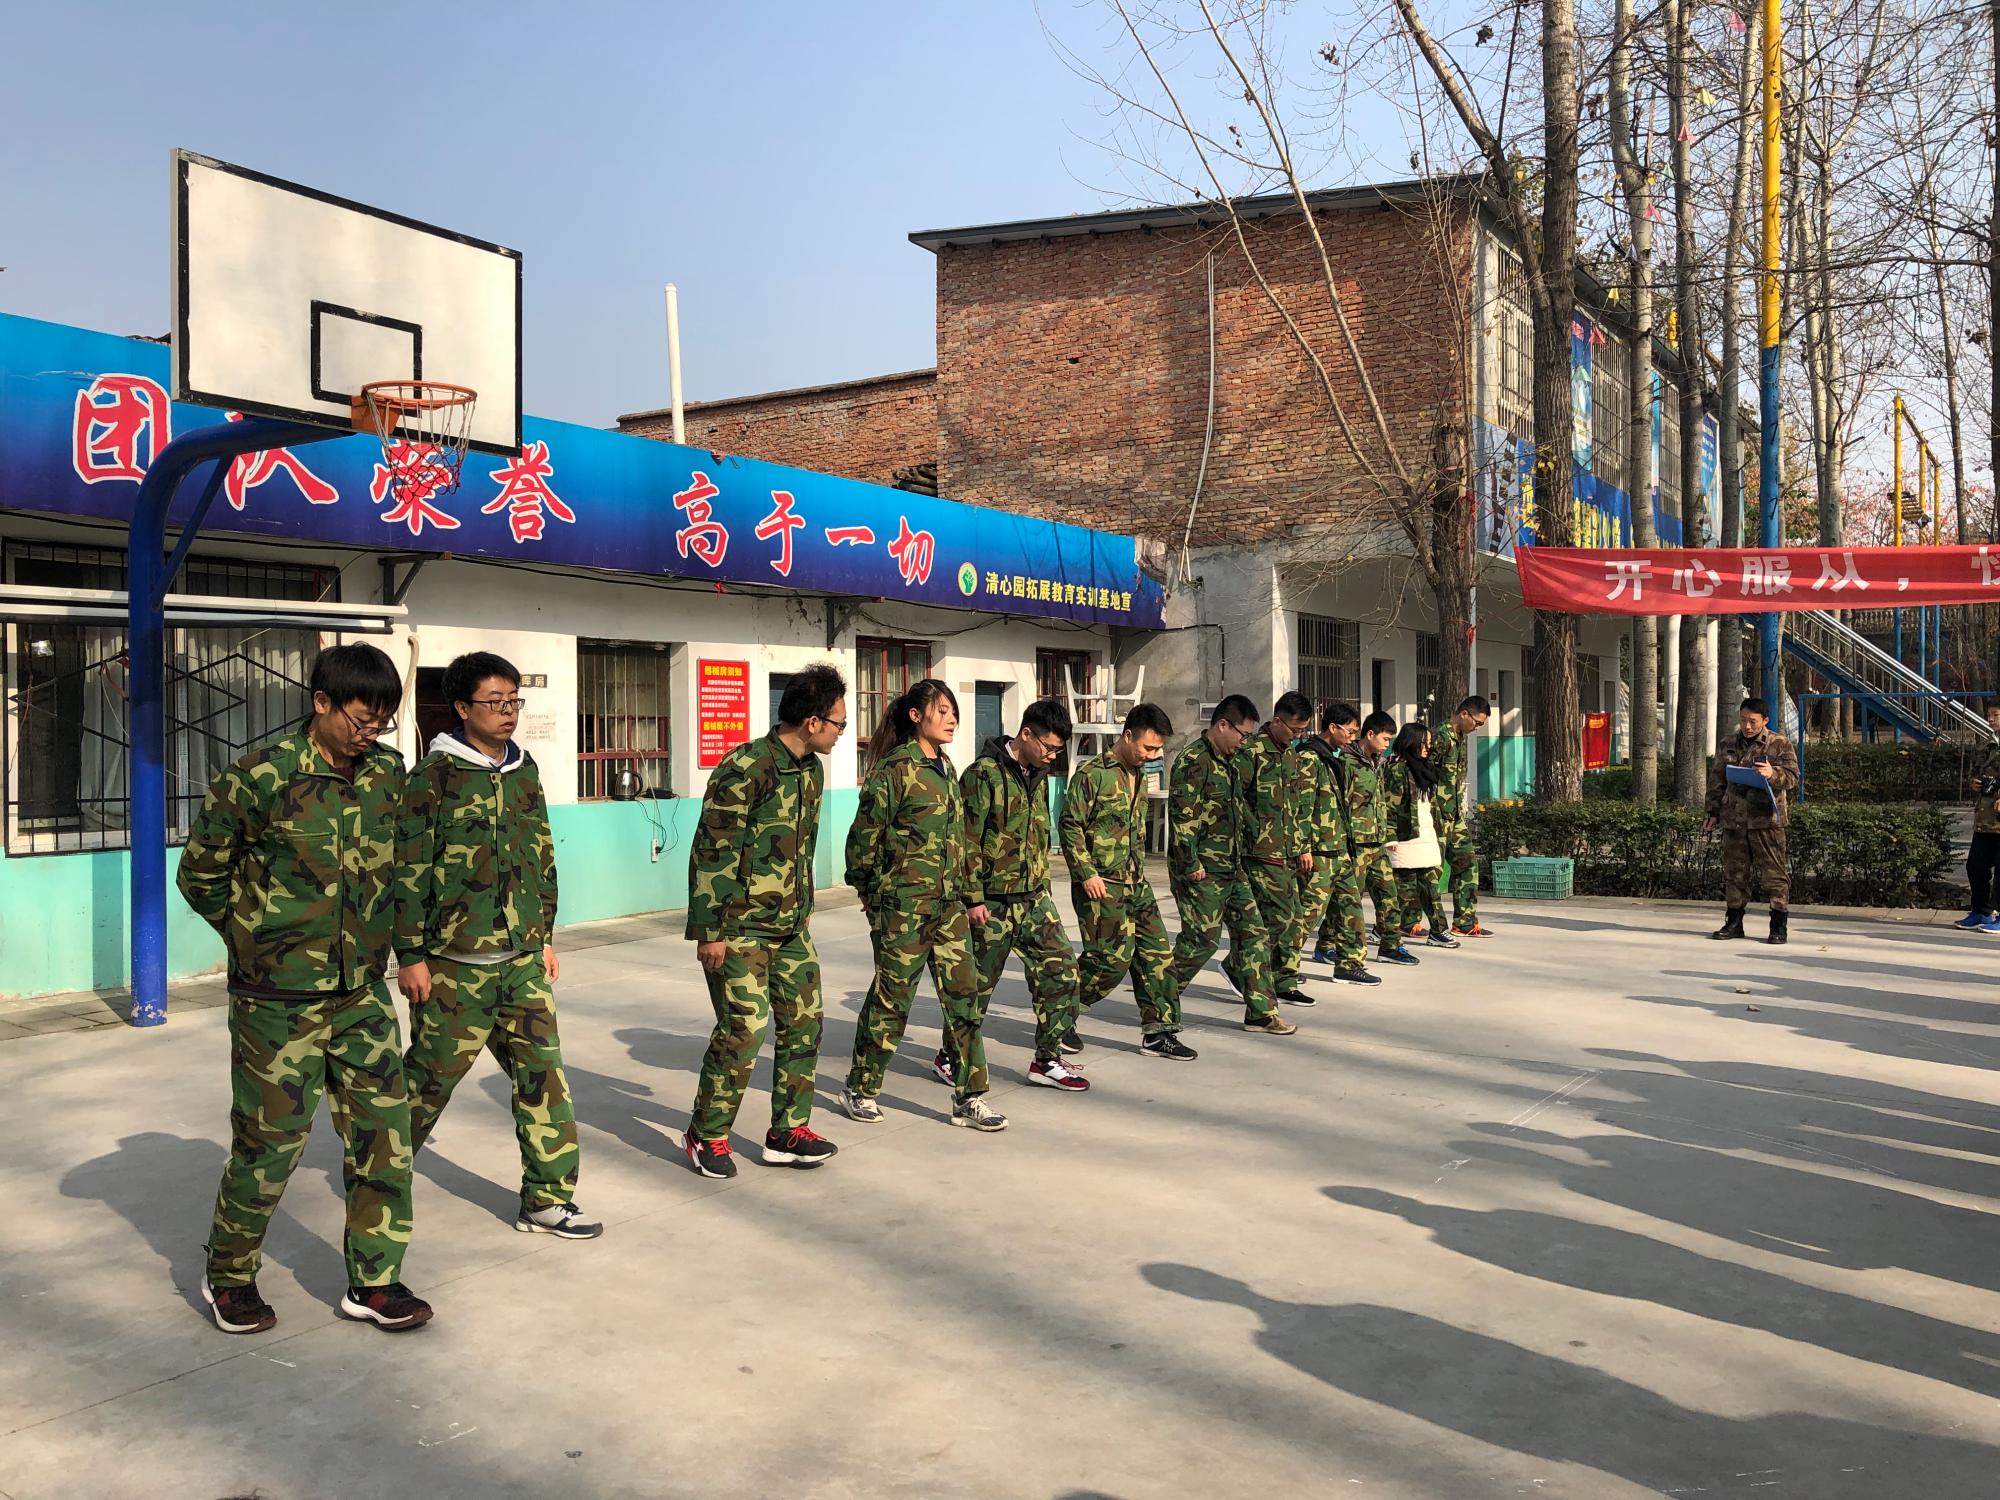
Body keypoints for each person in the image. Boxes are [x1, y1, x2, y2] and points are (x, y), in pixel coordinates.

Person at [177, 643, 430, 1335]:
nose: (371, 732)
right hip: (277, 1002)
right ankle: (229, 1276)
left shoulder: (388, 775)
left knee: (385, 1138)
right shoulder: (260, 777)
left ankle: (374, 1281)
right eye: (361, 718)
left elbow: (404, 869)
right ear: (321, 703)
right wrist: (257, 941)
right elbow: (200, 874)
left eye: (382, 721)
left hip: (360, 994)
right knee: (270, 1147)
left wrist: (407, 952)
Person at [397, 651, 598, 1237]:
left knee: (544, 1080)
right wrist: (410, 955)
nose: (508, 712)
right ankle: (376, 1175)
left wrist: (544, 937)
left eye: (514, 701)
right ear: (463, 709)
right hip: (453, 967)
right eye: (495, 702)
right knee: (426, 1086)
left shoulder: (524, 770)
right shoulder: (433, 776)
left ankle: (546, 1200)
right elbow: (408, 869)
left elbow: (541, 856)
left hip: (520, 963)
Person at [684, 663, 848, 1175]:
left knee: (805, 1023)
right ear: (813, 722)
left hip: (791, 927)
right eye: (839, 723)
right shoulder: (746, 767)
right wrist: (710, 930)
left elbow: (801, 850)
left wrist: (802, 907)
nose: (843, 732)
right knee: (744, 1029)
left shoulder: (811, 771)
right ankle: (706, 1133)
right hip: (739, 928)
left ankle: (787, 1132)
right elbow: (712, 851)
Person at [843, 679, 1006, 1131]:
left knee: (965, 1001)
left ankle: (970, 1097)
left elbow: (959, 842)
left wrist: (970, 896)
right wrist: (871, 894)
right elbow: (863, 840)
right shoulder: (895, 769)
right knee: (892, 1000)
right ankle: (861, 1087)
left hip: (948, 907)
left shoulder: (947, 768)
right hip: (903, 909)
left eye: (953, 711)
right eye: (942, 710)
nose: (952, 719)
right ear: (916, 716)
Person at [947, 697, 1087, 1092]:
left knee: (1063, 972)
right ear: (1026, 734)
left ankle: (1047, 1059)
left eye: (1058, 751)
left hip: (1034, 898)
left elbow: (1037, 835)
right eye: (1048, 748)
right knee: (976, 989)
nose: (1052, 757)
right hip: (991, 902)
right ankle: (951, 1057)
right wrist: (972, 898)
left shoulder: (1038, 775)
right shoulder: (983, 775)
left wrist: (1043, 885)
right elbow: (967, 841)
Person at [1061, 703, 1198, 1059]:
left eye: (1157, 750)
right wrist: (1086, 873)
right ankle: (1058, 1016)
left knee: (1158, 956)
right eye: (1147, 748)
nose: (1151, 756)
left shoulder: (1140, 775)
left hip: (1136, 882)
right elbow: (1071, 825)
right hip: (1101, 883)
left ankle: (1160, 1032)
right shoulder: (1093, 775)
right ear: (1127, 736)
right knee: (1110, 960)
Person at [1167, 696, 1290, 1033]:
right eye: (1243, 734)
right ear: (1222, 725)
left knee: (1254, 934)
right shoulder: (1194, 761)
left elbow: (1238, 809)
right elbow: (1183, 819)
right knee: (1201, 941)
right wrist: (1190, 863)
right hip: (1201, 869)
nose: (1244, 741)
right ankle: (1159, 997)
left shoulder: (1230, 760)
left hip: (1232, 866)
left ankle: (1261, 1012)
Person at [1234, 691, 1316, 1019]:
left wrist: (1301, 846)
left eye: (1303, 731)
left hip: (1286, 850)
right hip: (1259, 851)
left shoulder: (1290, 754)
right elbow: (1236, 799)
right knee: (1278, 917)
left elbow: (1296, 805)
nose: (1298, 736)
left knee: (1292, 918)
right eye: (1294, 729)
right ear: (1277, 721)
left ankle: (1276, 979)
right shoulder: (1252, 751)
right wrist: (1252, 835)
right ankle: (1243, 971)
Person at [1703, 697, 1800, 945]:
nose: (1747, 726)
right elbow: (1717, 780)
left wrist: (1772, 773)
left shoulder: (1779, 744)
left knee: (1774, 875)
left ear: (1765, 720)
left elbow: (1792, 778)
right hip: (1734, 820)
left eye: (1753, 721)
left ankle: (1778, 925)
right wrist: (1712, 812)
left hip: (1767, 821)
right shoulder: (1728, 744)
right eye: (1743, 720)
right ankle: (1734, 922)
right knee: (1735, 874)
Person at [1303, 704, 1380, 986]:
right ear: (1332, 728)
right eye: (1349, 731)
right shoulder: (1309, 757)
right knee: (1308, 913)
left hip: (1341, 847)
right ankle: (1278, 967)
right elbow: (1300, 808)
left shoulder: (1338, 758)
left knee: (1351, 909)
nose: (1352, 737)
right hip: (1320, 850)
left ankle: (1349, 964)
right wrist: (1303, 847)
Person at [1350, 710, 1421, 967]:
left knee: (1389, 895)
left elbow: (1382, 802)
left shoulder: (1379, 762)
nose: (1387, 744)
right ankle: (1327, 946)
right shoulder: (1348, 762)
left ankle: (1390, 946)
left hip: (1377, 842)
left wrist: (1388, 834)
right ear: (1370, 734)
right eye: (1385, 738)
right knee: (1348, 901)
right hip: (1356, 843)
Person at [1384, 722, 1459, 950]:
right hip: (1405, 839)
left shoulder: (1424, 769)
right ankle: (1383, 931)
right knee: (1402, 893)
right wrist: (1390, 836)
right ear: (1411, 742)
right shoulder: (1397, 769)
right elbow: (1389, 805)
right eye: (1424, 743)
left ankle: (1438, 931)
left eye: (1429, 743)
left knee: (1431, 889)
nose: (1428, 747)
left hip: (1425, 836)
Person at [1431, 695, 1493, 937]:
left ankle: (1465, 922)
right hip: (1436, 813)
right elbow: (1423, 772)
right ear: (1464, 714)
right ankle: (1408, 920)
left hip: (1453, 814)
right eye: (1477, 722)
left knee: (1467, 862)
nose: (1477, 728)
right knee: (1429, 870)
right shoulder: (1441, 737)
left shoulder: (1459, 738)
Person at [1955, 706, 2000, 933]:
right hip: (1986, 817)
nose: (1990, 719)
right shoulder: (1987, 744)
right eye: (1988, 715)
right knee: (1976, 864)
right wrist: (1973, 783)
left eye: (1995, 715)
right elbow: (1975, 772)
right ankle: (1981, 911)